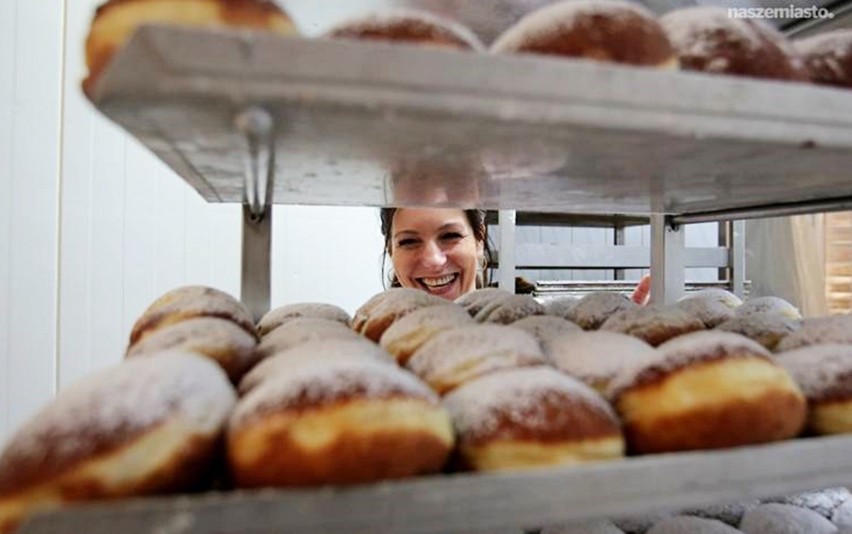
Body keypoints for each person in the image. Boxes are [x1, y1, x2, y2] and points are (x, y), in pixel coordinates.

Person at [380, 207, 494, 301]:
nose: (434, 260)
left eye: (450, 236)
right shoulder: (369, 326)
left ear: (479, 240)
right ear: (391, 251)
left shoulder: (508, 326)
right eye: (409, 241)